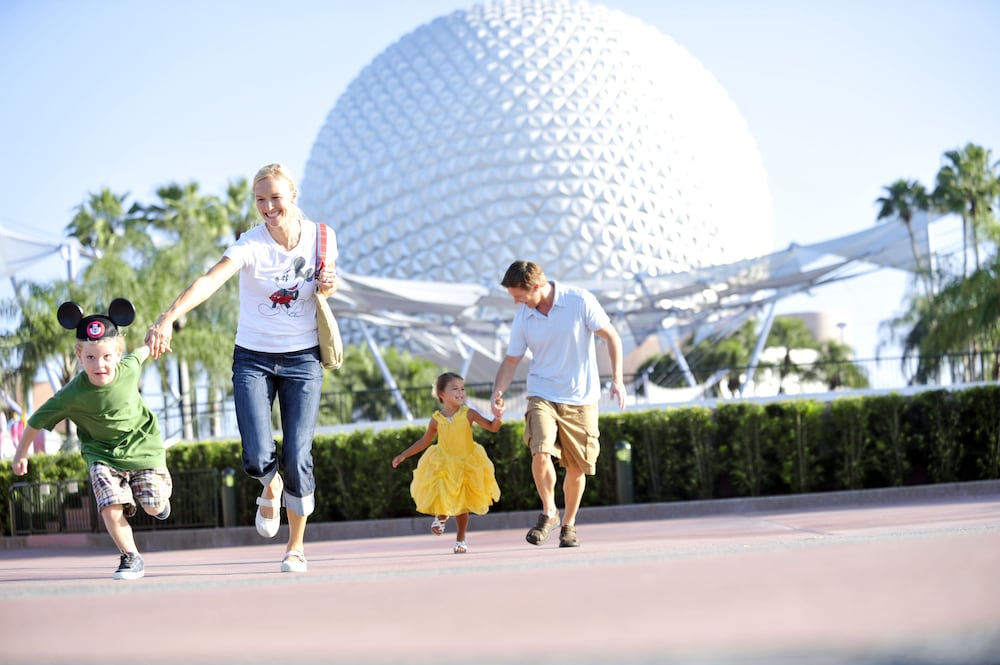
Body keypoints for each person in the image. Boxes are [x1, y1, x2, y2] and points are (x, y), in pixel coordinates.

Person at [145, 163, 338, 573]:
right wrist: (167, 316)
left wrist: (328, 283)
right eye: (260, 200)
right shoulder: (251, 244)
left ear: (293, 196)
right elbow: (210, 280)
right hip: (253, 356)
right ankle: (270, 485)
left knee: (298, 453)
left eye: (275, 198)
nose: (268, 207)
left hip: (303, 359)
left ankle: (296, 546)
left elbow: (328, 283)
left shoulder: (323, 237)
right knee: (255, 456)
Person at [12, 298, 172, 580]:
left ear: (118, 355)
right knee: (109, 504)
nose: (100, 365)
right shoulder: (71, 394)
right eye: (91, 358)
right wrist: (21, 453)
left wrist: (157, 336)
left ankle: (159, 504)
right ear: (79, 356)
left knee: (153, 506)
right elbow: (36, 420)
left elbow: (143, 351)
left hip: (143, 448)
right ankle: (131, 557)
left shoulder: (129, 367)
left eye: (107, 357)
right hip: (102, 454)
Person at [491, 260, 627, 548]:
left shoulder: (579, 301)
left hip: (582, 398)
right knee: (540, 451)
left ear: (537, 286)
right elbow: (512, 360)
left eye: (519, 295)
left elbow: (611, 336)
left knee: (577, 468)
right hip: (542, 393)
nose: (516, 302)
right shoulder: (524, 317)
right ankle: (549, 511)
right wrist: (497, 392)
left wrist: (617, 379)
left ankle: (569, 524)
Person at [392, 372, 502, 554]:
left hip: (467, 462)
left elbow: (492, 427)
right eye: (455, 389)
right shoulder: (436, 419)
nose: (460, 392)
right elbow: (424, 441)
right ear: (441, 394)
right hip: (443, 462)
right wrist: (403, 455)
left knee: (463, 503)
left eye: (462, 388)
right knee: (444, 491)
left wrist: (498, 416)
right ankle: (442, 516)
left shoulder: (469, 413)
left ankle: (461, 538)